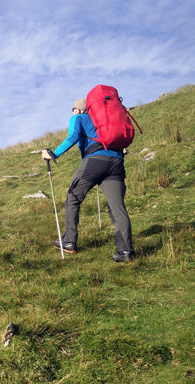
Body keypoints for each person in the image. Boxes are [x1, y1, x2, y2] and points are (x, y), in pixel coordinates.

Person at [41, 98, 135, 262]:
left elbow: (73, 136)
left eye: (73, 110)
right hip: (117, 162)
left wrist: (54, 154)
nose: (72, 112)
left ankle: (69, 241)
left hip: (95, 161)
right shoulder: (102, 121)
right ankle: (125, 252)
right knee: (118, 208)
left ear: (78, 109)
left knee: (73, 198)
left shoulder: (78, 118)